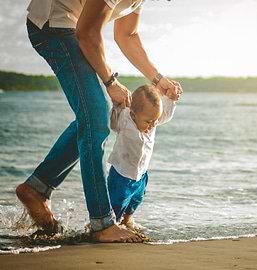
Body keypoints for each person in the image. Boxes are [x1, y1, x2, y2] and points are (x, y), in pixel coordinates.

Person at [16, 0, 182, 243]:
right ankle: (102, 223)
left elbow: (128, 34)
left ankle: (37, 188)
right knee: (96, 117)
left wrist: (157, 80)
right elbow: (87, 33)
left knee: (95, 118)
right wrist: (110, 82)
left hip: (70, 26)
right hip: (53, 25)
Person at [107, 84, 178, 234]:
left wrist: (170, 99)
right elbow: (112, 123)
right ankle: (112, 226)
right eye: (148, 121)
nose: (152, 125)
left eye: (155, 121)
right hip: (121, 175)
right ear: (133, 114)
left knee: (136, 199)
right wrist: (117, 105)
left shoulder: (152, 119)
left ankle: (128, 220)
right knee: (116, 205)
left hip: (141, 174)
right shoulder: (124, 118)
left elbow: (165, 114)